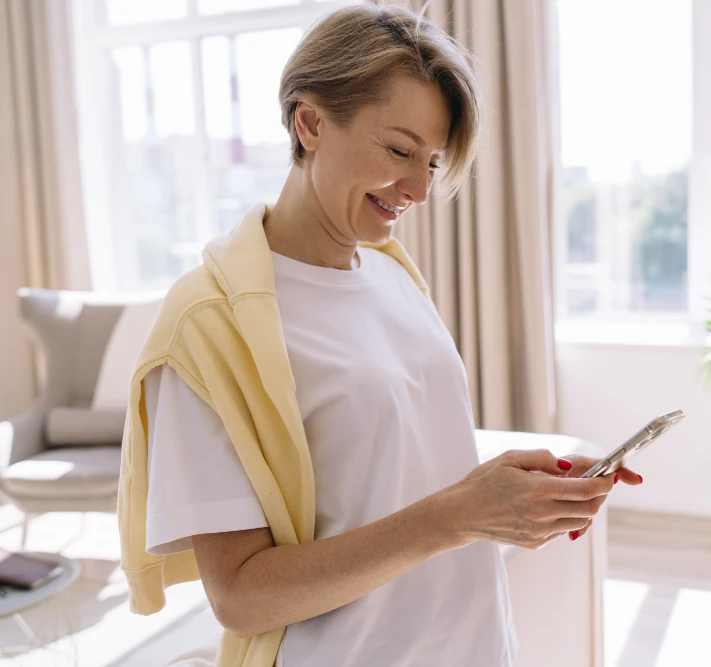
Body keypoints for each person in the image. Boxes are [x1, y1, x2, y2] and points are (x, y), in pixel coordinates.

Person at [118, 4, 641, 667]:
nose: (421, 188)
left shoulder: (391, 271)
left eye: (432, 159)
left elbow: (394, 462)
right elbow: (240, 594)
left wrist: (510, 493)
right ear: (309, 122)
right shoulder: (207, 324)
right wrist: (457, 516)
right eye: (399, 150)